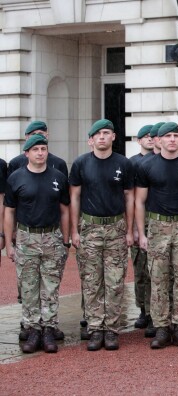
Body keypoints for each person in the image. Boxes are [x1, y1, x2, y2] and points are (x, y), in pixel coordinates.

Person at [135, 122, 178, 349]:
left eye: (177, 136)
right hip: (157, 227)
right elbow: (139, 201)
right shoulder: (147, 165)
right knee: (158, 279)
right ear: (159, 140)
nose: (173, 139)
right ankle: (162, 327)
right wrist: (141, 233)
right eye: (168, 136)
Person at [69, 119, 135, 351]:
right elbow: (75, 197)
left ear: (114, 137)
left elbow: (129, 197)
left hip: (116, 227)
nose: (103, 137)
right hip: (90, 227)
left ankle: (112, 329)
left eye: (107, 133)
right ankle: (96, 328)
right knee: (92, 281)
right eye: (98, 134)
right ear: (91, 140)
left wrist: (129, 230)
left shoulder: (123, 164)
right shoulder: (80, 164)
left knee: (115, 282)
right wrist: (74, 230)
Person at [4, 135, 70, 353]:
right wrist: (10, 242)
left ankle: (49, 329)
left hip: (52, 237)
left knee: (50, 287)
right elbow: (9, 212)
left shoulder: (58, 177)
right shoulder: (16, 178)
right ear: (27, 154)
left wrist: (66, 239)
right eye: (36, 149)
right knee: (30, 286)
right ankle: (33, 329)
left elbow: (64, 210)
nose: (41, 153)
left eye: (43, 149)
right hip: (26, 238)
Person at [129, 125, 154, 331]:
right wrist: (135, 229)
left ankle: (157, 311)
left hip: (159, 221)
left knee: (160, 272)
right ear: (139, 141)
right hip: (141, 221)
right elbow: (131, 198)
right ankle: (143, 310)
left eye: (152, 136)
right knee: (141, 271)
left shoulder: (161, 161)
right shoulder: (132, 163)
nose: (149, 140)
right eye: (145, 137)